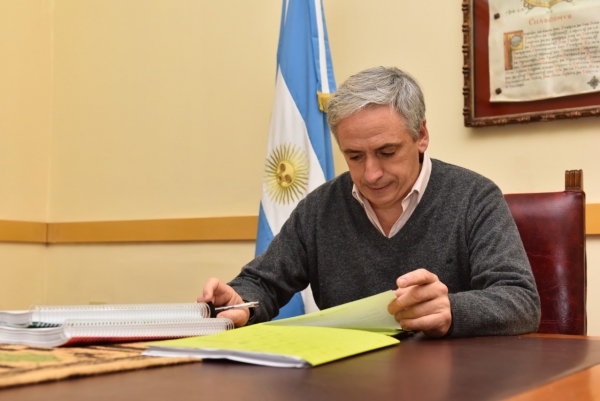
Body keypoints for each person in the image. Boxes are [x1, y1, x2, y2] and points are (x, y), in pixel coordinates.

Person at [200, 66, 541, 337]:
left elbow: (521, 300)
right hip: (348, 382)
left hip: (452, 381)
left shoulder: (473, 197)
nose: (371, 174)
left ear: (421, 136)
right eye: (355, 156)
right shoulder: (320, 208)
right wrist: (240, 300)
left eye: (387, 152)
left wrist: (452, 310)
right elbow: (263, 282)